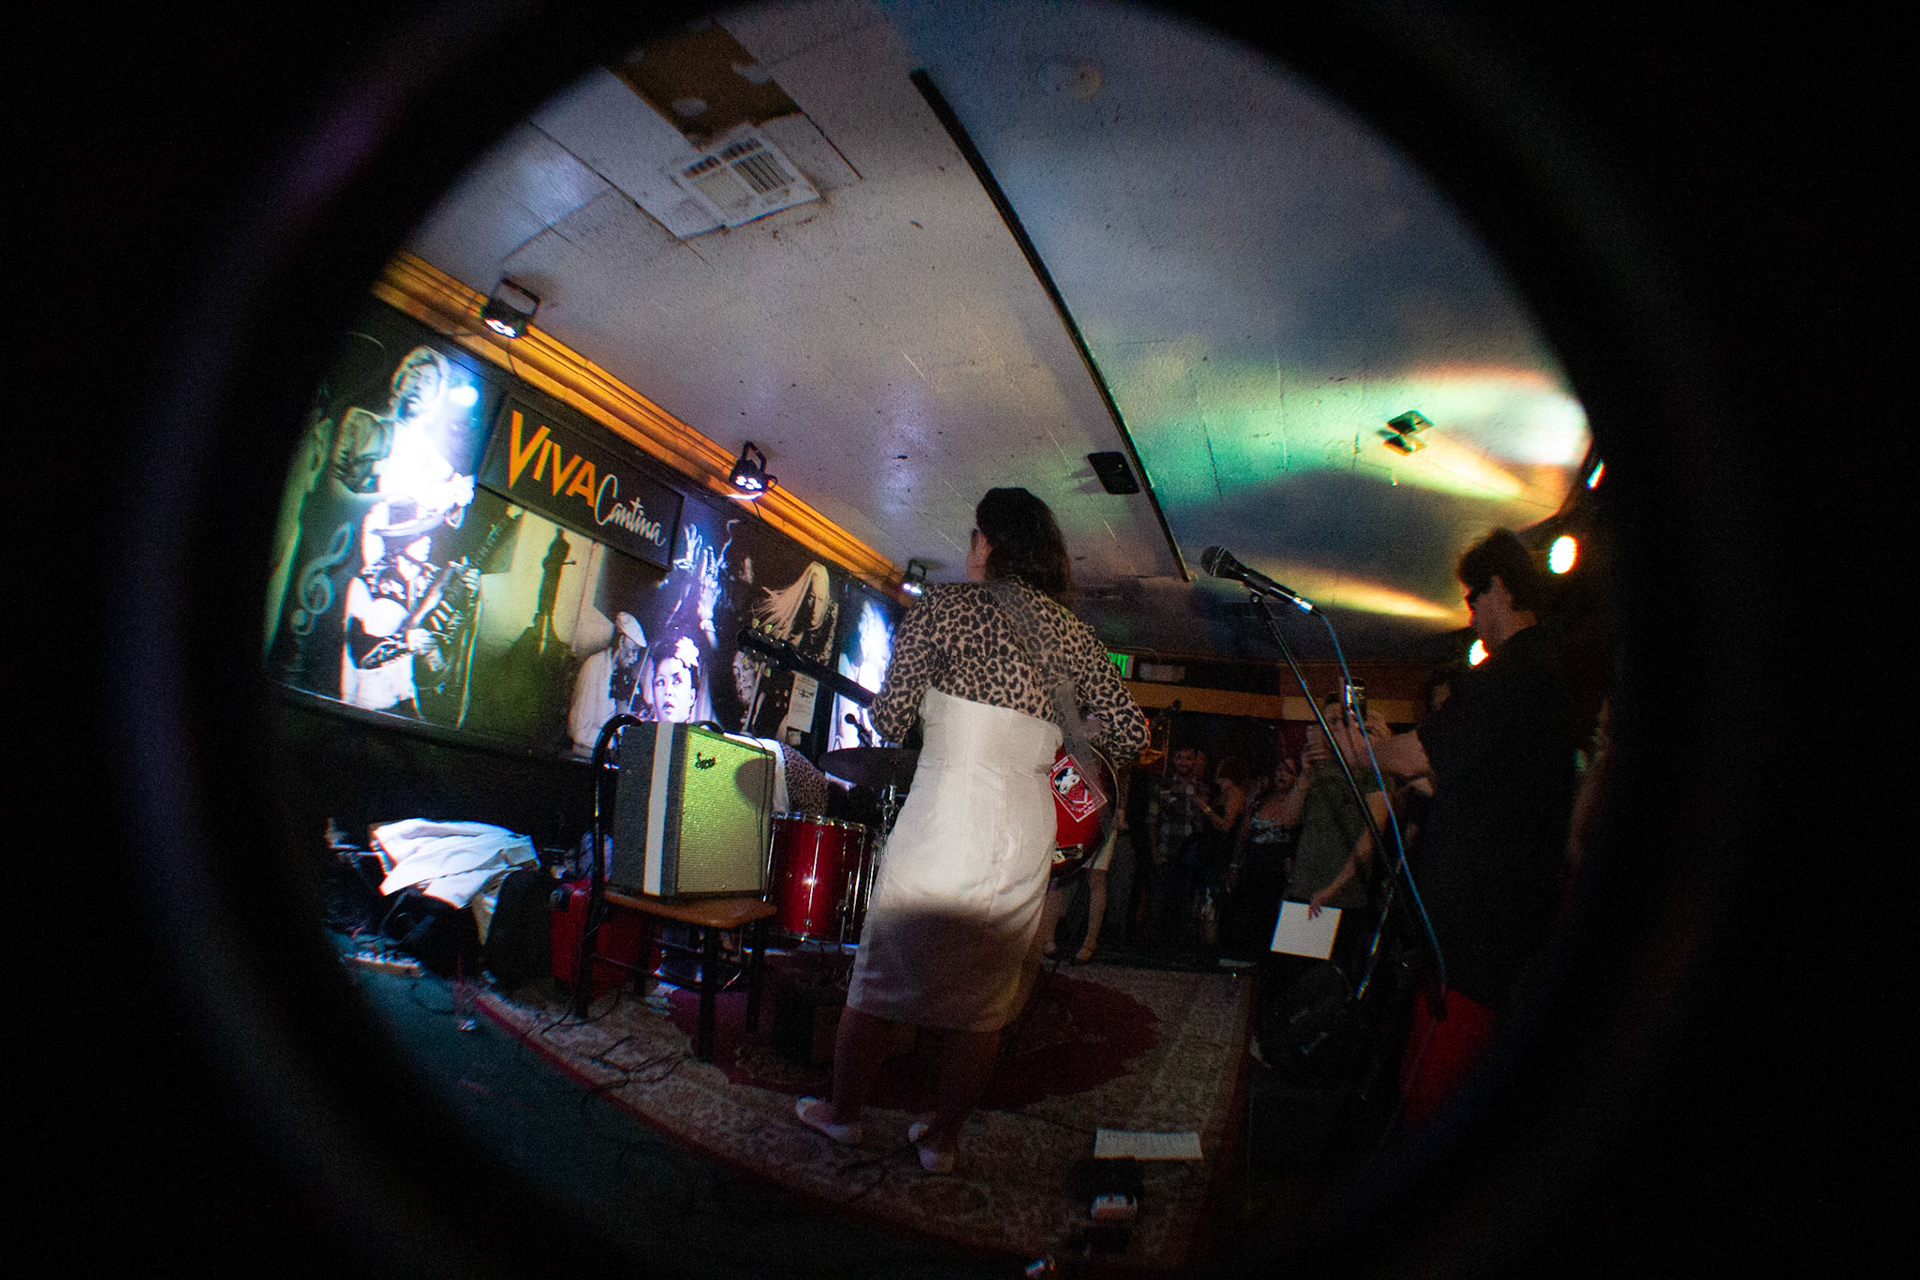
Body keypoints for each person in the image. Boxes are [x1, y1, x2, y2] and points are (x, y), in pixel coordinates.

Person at [794, 488, 1145, 1174]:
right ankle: (942, 1141)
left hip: (947, 814)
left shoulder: (945, 607)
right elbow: (1130, 733)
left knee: (882, 976)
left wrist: (923, 702)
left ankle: (843, 1116)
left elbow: (890, 720)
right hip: (1024, 829)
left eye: (972, 538)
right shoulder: (1074, 635)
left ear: (986, 543)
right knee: (986, 998)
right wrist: (1069, 730)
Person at [1361, 529, 1578, 1129]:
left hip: (1478, 940)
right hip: (1490, 934)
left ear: (1499, 587)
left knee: (1432, 1095)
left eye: (1472, 597)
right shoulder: (1539, 676)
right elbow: (1472, 785)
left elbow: (1415, 758)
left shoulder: (1513, 675)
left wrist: (1359, 748)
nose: (1470, 613)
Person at [567, 611, 647, 757]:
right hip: (584, 758)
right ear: (621, 641)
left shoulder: (617, 673)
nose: (635, 658)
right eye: (633, 650)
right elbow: (580, 731)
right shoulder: (595, 666)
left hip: (603, 754)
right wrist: (614, 742)